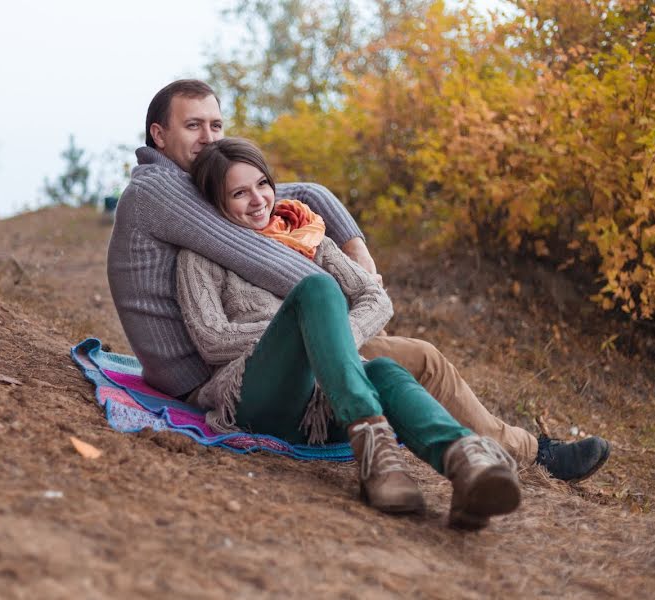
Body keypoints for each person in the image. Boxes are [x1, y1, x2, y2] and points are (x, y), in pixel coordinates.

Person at [106, 79, 610, 483]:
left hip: (258, 350)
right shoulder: (161, 191)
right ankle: (525, 453)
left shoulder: (197, 185)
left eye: (216, 124)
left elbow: (290, 193)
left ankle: (520, 452)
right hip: (203, 375)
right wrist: (331, 309)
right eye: (193, 126)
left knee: (423, 358)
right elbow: (258, 254)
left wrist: (354, 252)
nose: (209, 138)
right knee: (346, 315)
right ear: (158, 135)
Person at [175, 137, 523, 528]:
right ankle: (375, 445)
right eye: (239, 193)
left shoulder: (310, 239)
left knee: (386, 372)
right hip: (257, 398)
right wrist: (303, 333)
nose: (258, 200)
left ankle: (465, 465)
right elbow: (211, 338)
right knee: (318, 289)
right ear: (216, 203)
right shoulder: (201, 256)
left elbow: (377, 297)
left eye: (262, 184)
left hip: (324, 409)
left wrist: (332, 342)